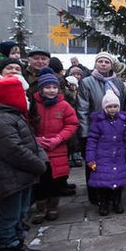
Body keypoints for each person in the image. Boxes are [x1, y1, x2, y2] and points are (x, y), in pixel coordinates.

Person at [0, 75, 46, 251]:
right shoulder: (0, 118)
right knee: (8, 216)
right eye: (22, 94)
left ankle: (17, 244)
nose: (26, 98)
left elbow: (30, 142)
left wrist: (40, 159)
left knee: (19, 213)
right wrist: (38, 164)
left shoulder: (12, 114)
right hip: (10, 176)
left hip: (22, 175)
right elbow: (13, 150)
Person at [76, 53, 126, 203]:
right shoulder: (87, 82)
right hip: (95, 130)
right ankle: (95, 195)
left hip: (114, 130)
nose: (103, 64)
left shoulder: (118, 83)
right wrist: (85, 132)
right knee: (94, 163)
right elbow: (82, 109)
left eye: (106, 62)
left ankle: (113, 192)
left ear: (111, 65)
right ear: (95, 64)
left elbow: (123, 105)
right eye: (100, 61)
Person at [30, 68, 78, 223]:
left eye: (54, 87)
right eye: (47, 87)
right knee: (40, 181)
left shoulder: (64, 105)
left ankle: (53, 207)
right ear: (41, 89)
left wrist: (59, 138)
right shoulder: (33, 105)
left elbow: (72, 124)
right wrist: (35, 139)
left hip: (58, 148)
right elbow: (27, 124)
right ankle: (40, 209)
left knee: (56, 181)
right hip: (39, 149)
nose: (51, 90)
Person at [87, 91, 126, 216]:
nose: (112, 109)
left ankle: (117, 202)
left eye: (115, 106)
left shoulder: (123, 121)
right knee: (103, 182)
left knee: (118, 182)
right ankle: (103, 203)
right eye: (109, 107)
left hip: (119, 156)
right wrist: (90, 158)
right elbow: (92, 140)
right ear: (104, 108)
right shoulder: (98, 122)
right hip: (102, 157)